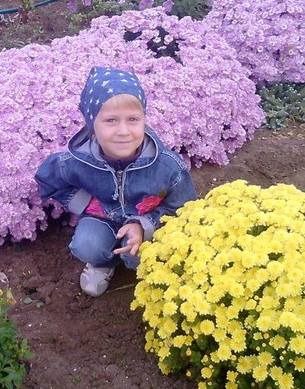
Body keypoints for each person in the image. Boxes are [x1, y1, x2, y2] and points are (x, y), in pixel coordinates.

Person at [35, 67, 197, 297]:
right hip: (101, 219)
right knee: (87, 245)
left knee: (138, 255)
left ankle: (141, 265)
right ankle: (104, 263)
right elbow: (48, 178)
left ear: (144, 119)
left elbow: (184, 207)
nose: (123, 131)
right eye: (111, 120)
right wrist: (87, 204)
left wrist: (144, 225)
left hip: (145, 226)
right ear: (92, 126)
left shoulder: (167, 166)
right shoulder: (78, 161)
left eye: (133, 119)